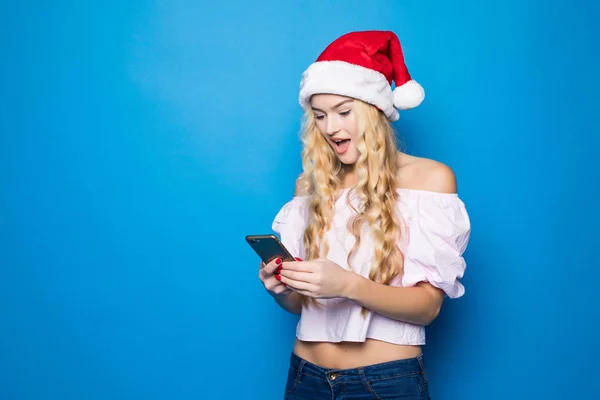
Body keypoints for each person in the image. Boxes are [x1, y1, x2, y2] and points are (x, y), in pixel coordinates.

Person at [258, 30, 471, 400]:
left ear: (375, 110)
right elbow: (298, 307)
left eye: (343, 111)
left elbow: (427, 308)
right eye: (320, 115)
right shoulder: (309, 187)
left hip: (385, 383)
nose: (330, 128)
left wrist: (347, 285)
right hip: (305, 377)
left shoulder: (430, 180)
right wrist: (282, 289)